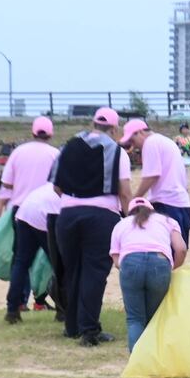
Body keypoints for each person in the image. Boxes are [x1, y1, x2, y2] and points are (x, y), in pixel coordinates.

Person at [51, 107, 133, 346]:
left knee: (72, 271)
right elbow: (125, 193)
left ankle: (72, 326)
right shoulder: (118, 152)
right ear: (115, 129)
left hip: (67, 215)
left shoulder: (67, 147)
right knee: (94, 273)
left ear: (93, 124)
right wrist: (130, 221)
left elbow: (56, 187)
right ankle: (89, 331)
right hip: (101, 217)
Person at [0, 116, 60, 310]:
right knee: (54, 259)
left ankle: (16, 305)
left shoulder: (18, 152)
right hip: (48, 210)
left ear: (32, 132)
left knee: (21, 260)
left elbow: (6, 183)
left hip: (21, 210)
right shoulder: (55, 153)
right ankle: (47, 301)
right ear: (51, 133)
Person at [109, 197, 187, 351]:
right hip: (160, 263)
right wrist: (172, 269)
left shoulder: (121, 224)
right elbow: (181, 249)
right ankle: (155, 361)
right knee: (156, 318)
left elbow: (116, 258)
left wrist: (128, 270)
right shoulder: (166, 220)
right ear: (151, 210)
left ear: (129, 212)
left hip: (130, 263)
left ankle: (137, 365)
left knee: (135, 319)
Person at [120, 119, 190, 246]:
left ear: (140, 132)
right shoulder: (165, 141)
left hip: (165, 204)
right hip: (181, 203)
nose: (134, 146)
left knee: (164, 252)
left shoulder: (150, 143)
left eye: (132, 140)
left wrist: (134, 200)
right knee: (178, 252)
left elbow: (151, 176)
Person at [3, 182, 61, 324]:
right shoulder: (75, 183)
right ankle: (63, 310)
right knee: (60, 265)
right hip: (46, 213)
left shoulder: (55, 178)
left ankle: (12, 310)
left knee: (21, 262)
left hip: (25, 211)